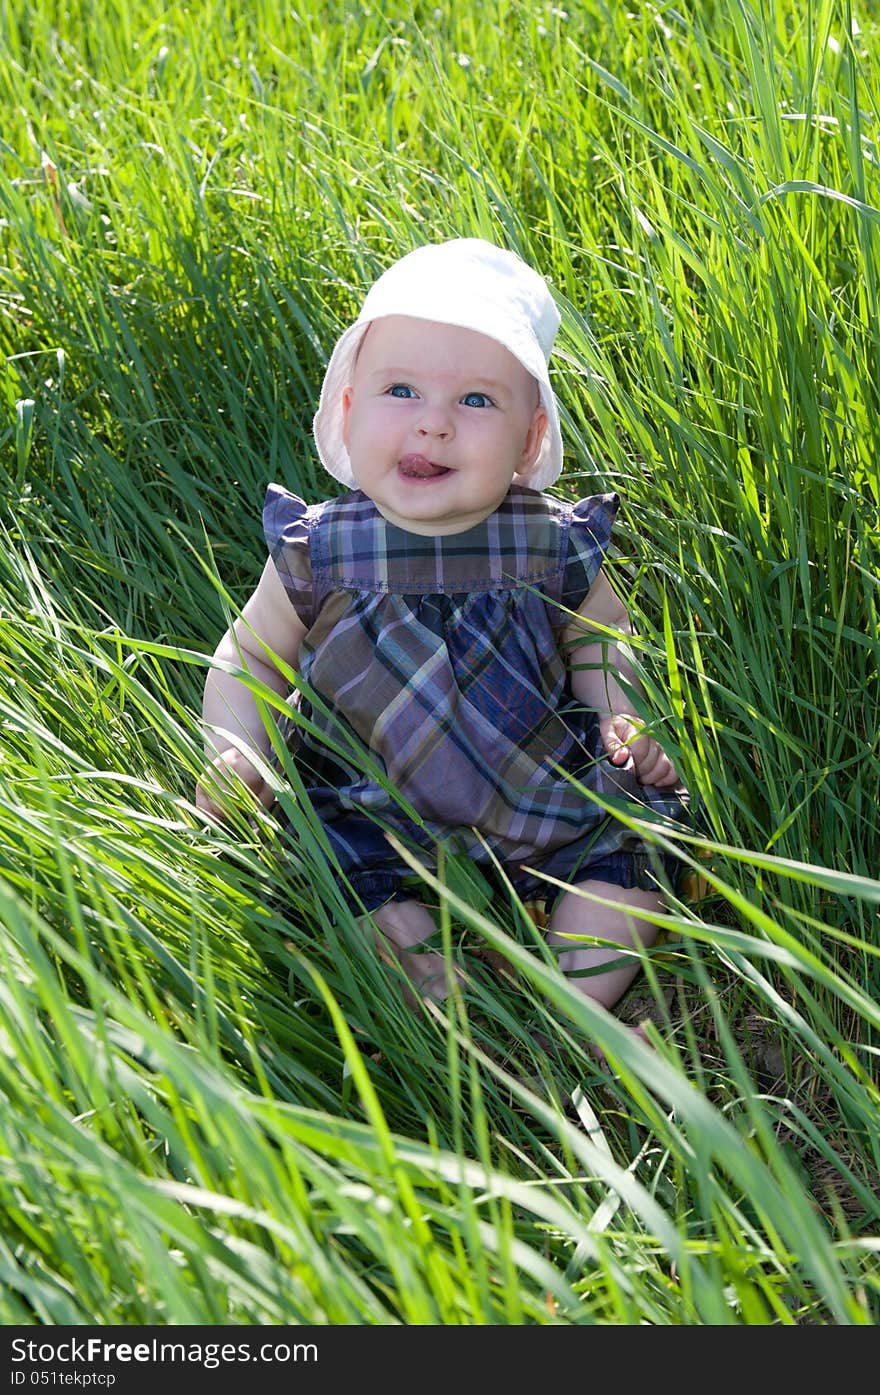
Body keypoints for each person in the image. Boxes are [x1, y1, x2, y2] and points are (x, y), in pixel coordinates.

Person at [197, 237, 689, 1020]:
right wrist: (237, 748)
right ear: (349, 411)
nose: (432, 426)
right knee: (338, 866)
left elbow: (600, 633)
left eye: (475, 401)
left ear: (530, 440)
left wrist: (620, 715)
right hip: (373, 804)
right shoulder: (318, 550)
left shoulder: (551, 542)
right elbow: (251, 651)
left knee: (638, 835)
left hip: (542, 789)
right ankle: (450, 1018)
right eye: (401, 390)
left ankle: (572, 1006)